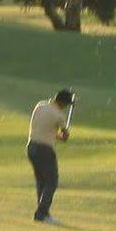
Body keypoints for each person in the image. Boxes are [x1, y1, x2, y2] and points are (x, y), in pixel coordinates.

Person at [27, 88, 73, 223]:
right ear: (63, 103)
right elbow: (64, 136)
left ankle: (42, 213)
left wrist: (56, 134)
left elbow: (43, 129)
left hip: (31, 147)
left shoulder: (40, 105)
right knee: (51, 181)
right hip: (44, 149)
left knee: (41, 181)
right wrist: (64, 134)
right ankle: (42, 214)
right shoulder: (59, 115)